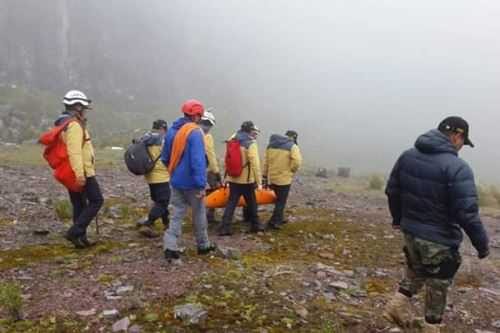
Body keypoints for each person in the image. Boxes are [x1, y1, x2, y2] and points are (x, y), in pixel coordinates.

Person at [384, 116, 489, 333]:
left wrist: (398, 220)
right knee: (438, 284)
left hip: (411, 231)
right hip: (439, 238)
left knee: (416, 270)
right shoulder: (458, 168)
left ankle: (394, 307)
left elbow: (392, 191)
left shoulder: (407, 156)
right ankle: (432, 328)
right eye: (463, 142)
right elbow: (467, 214)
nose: (462, 147)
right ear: (457, 137)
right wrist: (482, 245)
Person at [160, 99, 216, 261]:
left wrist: (174, 172)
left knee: (177, 213)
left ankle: (170, 245)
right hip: (192, 183)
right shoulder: (195, 132)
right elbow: (198, 161)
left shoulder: (171, 131)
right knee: (199, 213)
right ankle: (203, 244)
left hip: (176, 180)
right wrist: (201, 184)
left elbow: (165, 157)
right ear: (197, 116)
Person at [56, 90, 104, 248]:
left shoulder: (64, 123)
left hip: (71, 171)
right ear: (77, 106)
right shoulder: (74, 125)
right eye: (83, 107)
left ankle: (80, 239)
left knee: (79, 204)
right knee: (97, 200)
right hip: (82, 171)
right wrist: (80, 174)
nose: (84, 110)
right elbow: (74, 151)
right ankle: (74, 231)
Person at [219, 121, 264, 236]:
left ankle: (224, 228)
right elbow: (255, 163)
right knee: (252, 202)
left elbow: (227, 158)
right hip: (246, 180)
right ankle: (255, 226)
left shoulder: (232, 138)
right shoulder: (250, 143)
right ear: (250, 130)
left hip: (232, 177)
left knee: (231, 203)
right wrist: (259, 182)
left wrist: (227, 174)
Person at [136, 119, 170, 238]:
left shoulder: (146, 139)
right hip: (161, 176)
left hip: (149, 175)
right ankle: (148, 223)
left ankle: (167, 222)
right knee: (163, 201)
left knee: (159, 200)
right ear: (162, 129)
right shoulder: (163, 141)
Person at [262, 130, 302, 229]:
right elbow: (297, 162)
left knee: (277, 199)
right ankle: (275, 221)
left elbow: (266, 162)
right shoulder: (292, 146)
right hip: (284, 178)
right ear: (293, 137)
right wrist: (292, 170)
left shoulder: (271, 145)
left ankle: (279, 217)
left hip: (272, 177)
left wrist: (264, 175)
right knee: (281, 201)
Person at [199, 110, 222, 223]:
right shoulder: (207, 136)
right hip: (204, 168)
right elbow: (210, 154)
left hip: (189, 168)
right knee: (214, 189)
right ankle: (208, 215)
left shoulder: (191, 132)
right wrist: (216, 171)